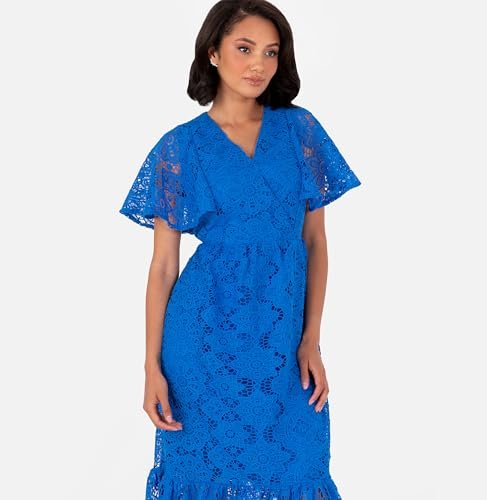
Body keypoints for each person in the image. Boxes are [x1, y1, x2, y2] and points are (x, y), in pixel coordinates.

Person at [119, 1, 361, 498]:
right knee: (202, 473)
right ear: (213, 52)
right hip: (201, 340)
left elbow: (314, 240)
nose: (259, 65)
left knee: (300, 466)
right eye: (245, 49)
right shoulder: (179, 147)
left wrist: (311, 339)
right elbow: (163, 267)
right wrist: (151, 367)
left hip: (284, 340)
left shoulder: (300, 132)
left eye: (271, 52)